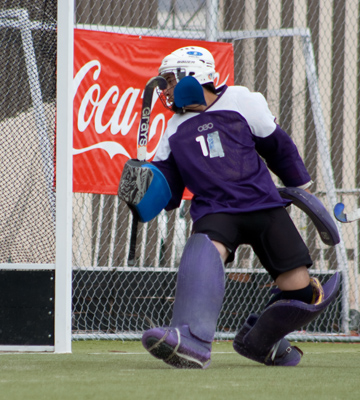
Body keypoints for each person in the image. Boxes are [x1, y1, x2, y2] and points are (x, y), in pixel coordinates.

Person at [125, 46, 340, 369]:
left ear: (193, 77)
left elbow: (277, 146)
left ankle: (262, 343)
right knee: (204, 252)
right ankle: (190, 339)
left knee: (300, 290)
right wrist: (143, 183)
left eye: (170, 81)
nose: (166, 91)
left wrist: (303, 186)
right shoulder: (173, 130)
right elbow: (168, 192)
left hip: (264, 205)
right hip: (215, 210)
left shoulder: (242, 100)